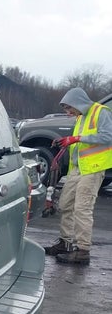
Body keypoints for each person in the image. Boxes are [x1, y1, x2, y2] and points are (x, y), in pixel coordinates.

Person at [43, 88, 112, 264]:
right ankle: (65, 243)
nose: (68, 112)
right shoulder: (81, 117)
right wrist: (65, 141)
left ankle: (82, 251)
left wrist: (76, 139)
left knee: (82, 208)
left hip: (93, 169)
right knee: (66, 204)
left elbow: (108, 136)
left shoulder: (101, 112)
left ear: (77, 103)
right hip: (78, 168)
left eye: (69, 108)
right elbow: (80, 140)